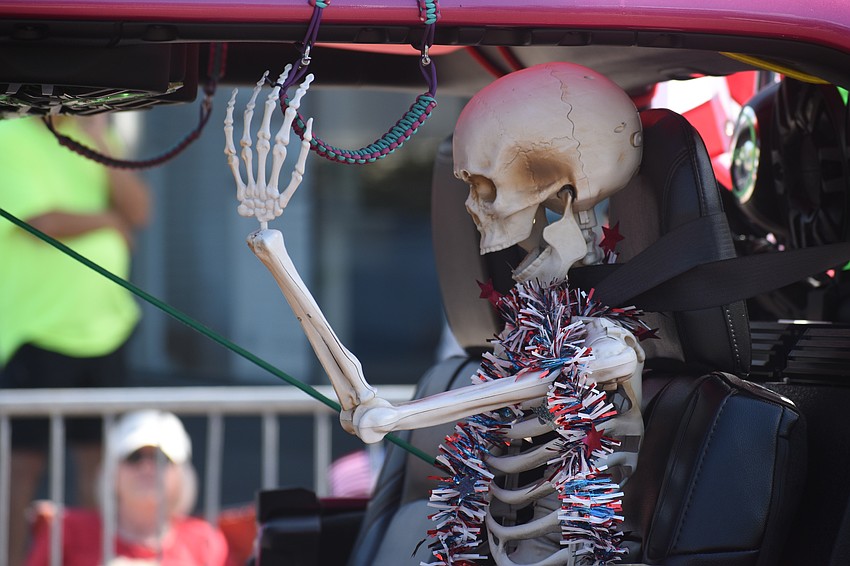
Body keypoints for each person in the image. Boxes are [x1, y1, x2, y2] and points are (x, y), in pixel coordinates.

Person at [0, 114, 151, 566]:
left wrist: (100, 144)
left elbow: (140, 212)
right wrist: (107, 219)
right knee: (22, 468)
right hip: (37, 331)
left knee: (100, 466)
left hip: (105, 330)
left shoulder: (100, 138)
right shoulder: (12, 135)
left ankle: (91, 558)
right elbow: (36, 219)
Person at [25, 410, 229, 566]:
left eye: (161, 459)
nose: (147, 467)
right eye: (134, 457)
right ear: (111, 472)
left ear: (183, 475)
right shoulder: (66, 530)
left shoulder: (205, 541)